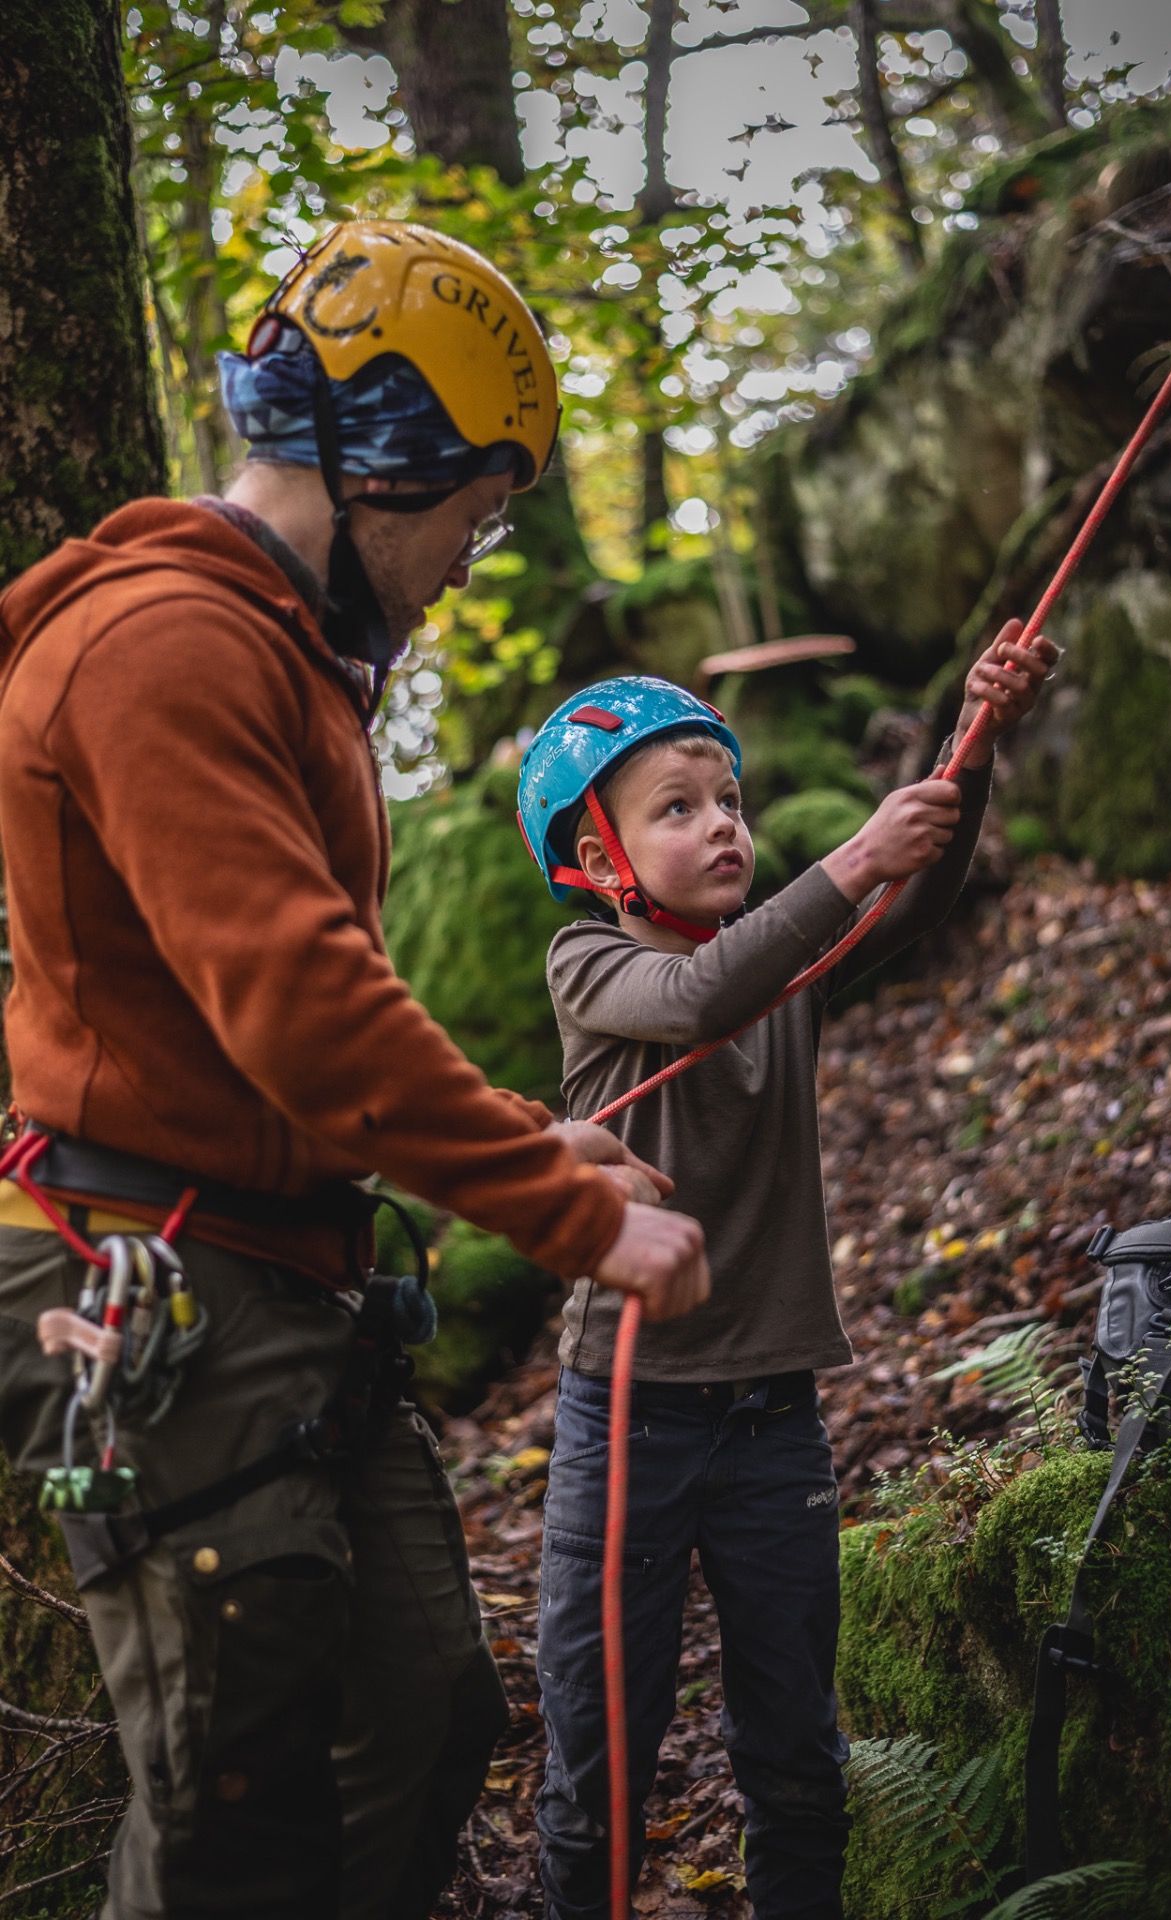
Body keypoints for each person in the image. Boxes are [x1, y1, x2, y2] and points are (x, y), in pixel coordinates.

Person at [0, 220, 709, 1920]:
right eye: (478, 504)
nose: (474, 550)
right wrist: (556, 1208)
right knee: (231, 1810)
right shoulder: (164, 644)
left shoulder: (278, 655)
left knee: (421, 1711)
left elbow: (287, 1017)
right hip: (157, 1279)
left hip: (279, 1274)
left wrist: (524, 1135)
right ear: (384, 461)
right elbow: (291, 996)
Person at [516, 629, 1055, 1920]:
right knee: (601, 1763)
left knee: (798, 1754)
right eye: (678, 808)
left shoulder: (785, 960)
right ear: (596, 858)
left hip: (772, 1417)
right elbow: (701, 997)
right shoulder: (592, 965)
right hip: (628, 1416)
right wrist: (855, 854)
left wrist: (970, 748)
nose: (723, 825)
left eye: (731, 801)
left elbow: (912, 904)